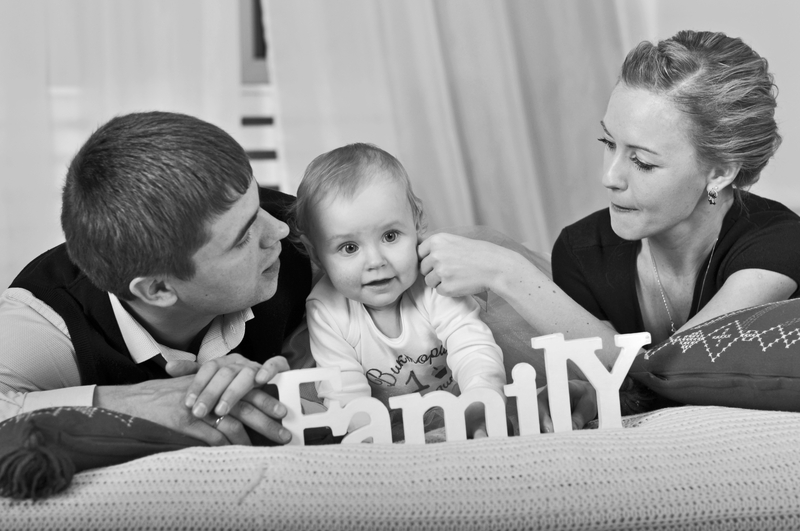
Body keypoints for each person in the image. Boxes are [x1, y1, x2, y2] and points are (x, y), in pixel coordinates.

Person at [418, 30, 800, 428]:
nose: (610, 177)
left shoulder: (779, 243)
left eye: (643, 162)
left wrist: (508, 273)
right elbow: (630, 387)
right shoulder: (581, 249)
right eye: (608, 142)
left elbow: (678, 371)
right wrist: (596, 394)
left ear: (720, 173)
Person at [0, 111, 312, 446]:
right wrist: (132, 402)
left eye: (258, 200)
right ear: (158, 289)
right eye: (242, 237)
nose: (279, 230)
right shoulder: (45, 322)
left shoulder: (309, 235)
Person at [289, 143, 506, 439]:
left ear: (417, 222)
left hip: (458, 407)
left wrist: (480, 401)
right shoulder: (327, 309)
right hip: (386, 427)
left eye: (390, 236)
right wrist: (372, 441)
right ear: (316, 253)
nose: (376, 261)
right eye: (349, 248)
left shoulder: (435, 280)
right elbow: (345, 393)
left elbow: (472, 347)